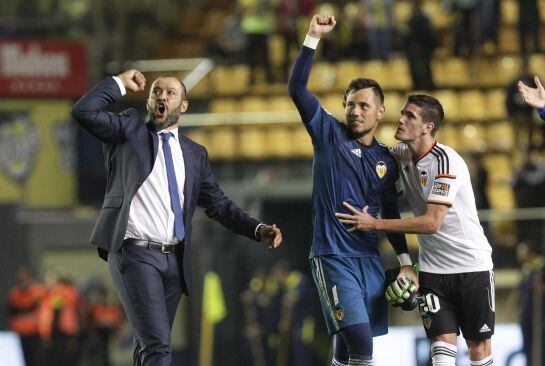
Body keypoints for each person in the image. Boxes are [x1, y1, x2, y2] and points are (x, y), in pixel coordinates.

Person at [71, 70, 282, 366]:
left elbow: (219, 205)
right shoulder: (128, 130)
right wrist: (119, 84)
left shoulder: (195, 154)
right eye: (157, 92)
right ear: (148, 101)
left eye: (171, 93)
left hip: (174, 260)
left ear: (183, 106)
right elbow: (83, 111)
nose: (162, 96)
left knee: (149, 349)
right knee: (158, 348)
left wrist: (257, 228)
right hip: (135, 254)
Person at [288, 14, 416, 366]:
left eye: (363, 105)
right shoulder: (328, 134)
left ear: (380, 112)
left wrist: (405, 262)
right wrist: (312, 36)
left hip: (369, 260)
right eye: (350, 105)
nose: (355, 111)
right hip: (332, 257)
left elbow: (390, 214)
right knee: (361, 343)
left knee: (347, 350)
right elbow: (297, 90)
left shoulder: (387, 161)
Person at [336, 94, 495, 366]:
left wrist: (375, 224)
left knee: (479, 350)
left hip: (472, 266)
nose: (400, 119)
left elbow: (433, 222)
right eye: (401, 113)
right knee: (441, 353)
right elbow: (365, 147)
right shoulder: (399, 155)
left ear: (427, 127)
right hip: (433, 271)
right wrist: (354, 111)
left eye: (410, 116)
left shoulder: (447, 161)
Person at [8, 266, 47, 366]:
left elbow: (33, 307)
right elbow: (10, 309)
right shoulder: (15, 292)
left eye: (24, 276)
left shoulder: (38, 290)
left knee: (35, 359)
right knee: (22, 359)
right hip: (19, 331)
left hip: (34, 331)